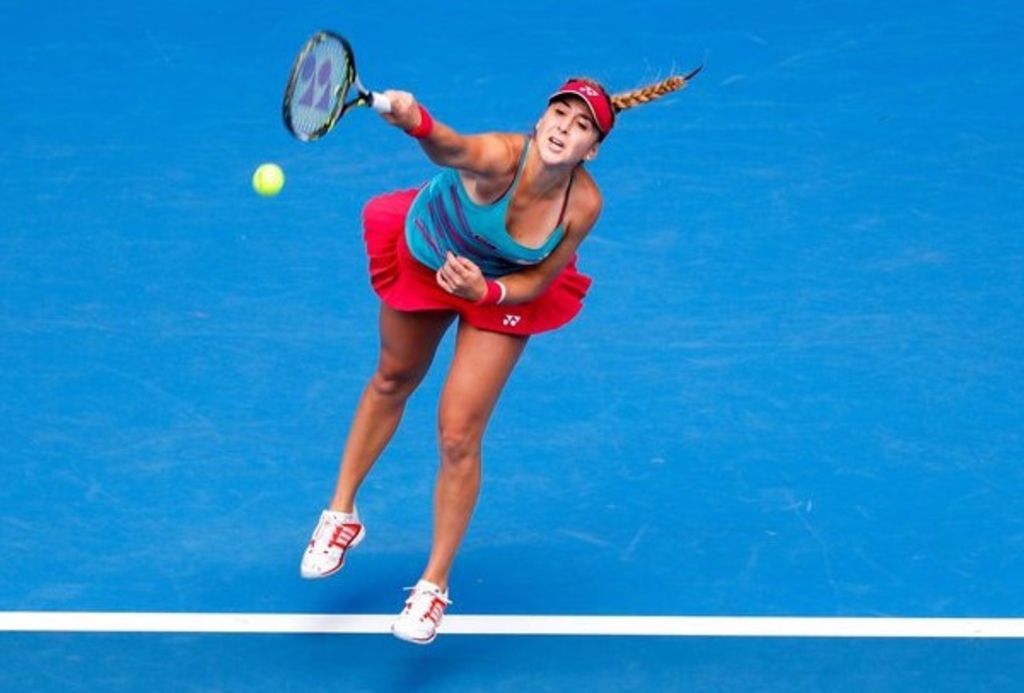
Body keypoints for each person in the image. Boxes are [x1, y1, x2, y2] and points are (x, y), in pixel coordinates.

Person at [300, 71, 699, 645]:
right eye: (560, 114)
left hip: (495, 288)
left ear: (594, 149)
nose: (566, 128)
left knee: (459, 434)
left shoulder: (583, 204)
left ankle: (432, 586)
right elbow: (451, 147)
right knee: (394, 377)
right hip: (428, 254)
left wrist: (484, 294)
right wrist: (417, 120)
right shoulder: (499, 158)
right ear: (541, 120)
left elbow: (538, 278)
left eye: (582, 125)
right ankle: (341, 514)